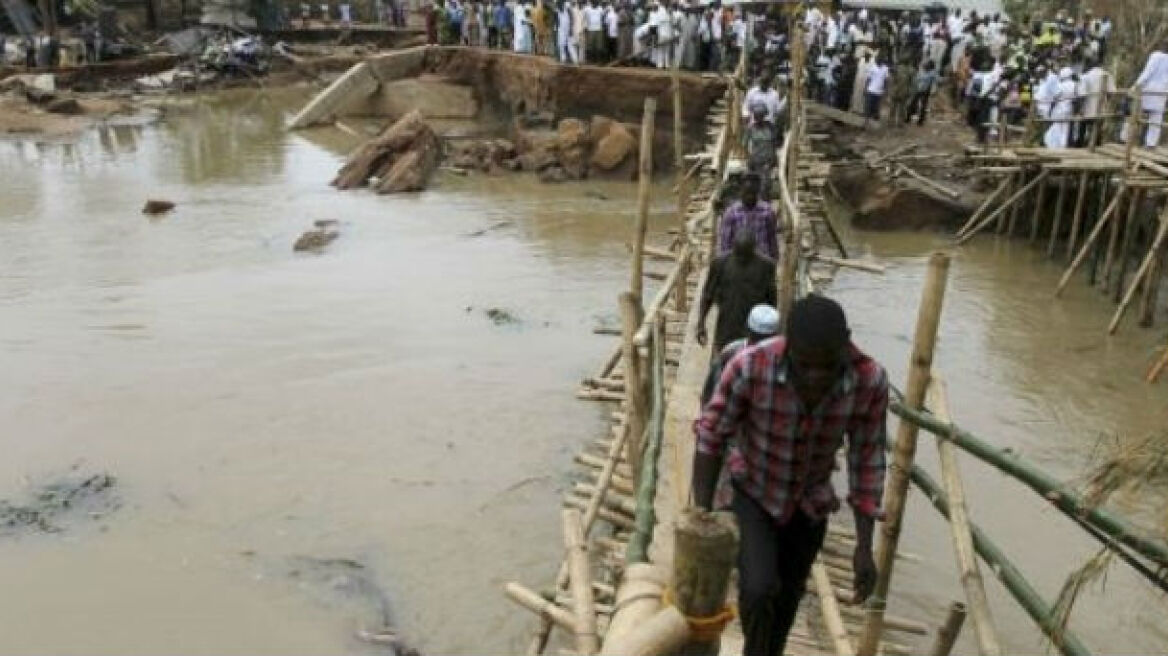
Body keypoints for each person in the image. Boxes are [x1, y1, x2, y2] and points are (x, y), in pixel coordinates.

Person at [692, 294, 888, 656]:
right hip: (754, 489)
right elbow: (711, 434)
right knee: (757, 588)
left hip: (809, 503)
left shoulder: (869, 381)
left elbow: (867, 460)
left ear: (846, 345)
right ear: (788, 347)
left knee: (787, 599)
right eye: (804, 366)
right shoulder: (750, 366)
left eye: (827, 367)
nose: (815, 378)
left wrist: (863, 546)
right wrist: (701, 512)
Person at [697, 231, 777, 354]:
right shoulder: (720, 264)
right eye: (739, 255)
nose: (742, 260)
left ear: (753, 250)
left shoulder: (766, 267)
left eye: (746, 256)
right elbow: (708, 295)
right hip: (727, 325)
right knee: (725, 360)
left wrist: (772, 328)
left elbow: (772, 299)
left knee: (752, 362)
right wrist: (701, 323)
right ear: (733, 248)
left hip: (755, 329)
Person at [717, 174, 779, 261]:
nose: (749, 196)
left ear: (757, 192)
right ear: (741, 191)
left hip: (762, 262)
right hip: (738, 263)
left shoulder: (767, 211)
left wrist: (774, 260)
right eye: (746, 193)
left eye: (752, 193)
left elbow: (772, 239)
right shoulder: (731, 212)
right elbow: (725, 243)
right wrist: (724, 264)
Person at [1130, 47, 1168, 149]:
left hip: (1149, 89)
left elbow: (1147, 72)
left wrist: (1136, 85)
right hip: (1163, 91)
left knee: (1137, 115)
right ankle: (1150, 143)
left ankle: (1131, 140)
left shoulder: (1156, 56)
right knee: (1156, 119)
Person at [744, 104, 779, 200]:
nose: (757, 119)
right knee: (754, 185)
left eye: (759, 116)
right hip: (755, 160)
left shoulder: (771, 128)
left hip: (767, 160)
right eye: (756, 117)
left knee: (765, 184)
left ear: (763, 116)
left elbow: (775, 144)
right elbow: (745, 144)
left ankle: (764, 202)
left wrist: (773, 159)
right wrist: (747, 158)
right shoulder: (751, 129)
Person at [1045, 67, 1075, 148]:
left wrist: (1050, 110)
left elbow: (1055, 97)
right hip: (1069, 108)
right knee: (1065, 129)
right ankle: (1063, 146)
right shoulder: (1074, 85)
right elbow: (1075, 98)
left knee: (1057, 127)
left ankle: (1054, 145)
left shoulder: (1060, 85)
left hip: (1059, 109)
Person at [906, 59, 938, 125]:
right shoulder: (922, 71)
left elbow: (938, 80)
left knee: (923, 106)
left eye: (927, 65)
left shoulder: (932, 73)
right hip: (918, 89)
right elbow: (916, 79)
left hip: (925, 91)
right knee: (912, 104)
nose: (925, 65)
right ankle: (908, 118)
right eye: (926, 64)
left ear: (930, 66)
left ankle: (920, 121)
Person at [864, 56, 890, 122]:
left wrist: (886, 91)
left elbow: (886, 81)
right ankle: (865, 122)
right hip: (871, 90)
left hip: (879, 92)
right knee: (868, 108)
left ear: (882, 60)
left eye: (880, 60)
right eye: (877, 60)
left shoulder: (886, 69)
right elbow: (868, 79)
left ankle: (873, 123)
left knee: (876, 108)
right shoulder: (872, 67)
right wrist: (865, 88)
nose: (878, 61)